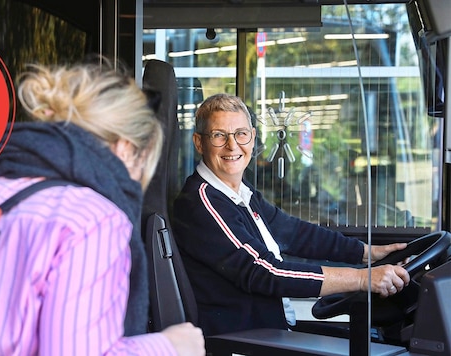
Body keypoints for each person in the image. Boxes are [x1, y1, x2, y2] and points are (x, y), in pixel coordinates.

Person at [0, 62, 205, 355]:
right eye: (142, 164)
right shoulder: (90, 220)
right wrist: (170, 346)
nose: (137, 181)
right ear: (124, 148)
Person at [171, 93, 410, 336]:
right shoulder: (202, 202)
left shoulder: (242, 193)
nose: (232, 145)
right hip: (241, 342)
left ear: (252, 138)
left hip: (270, 331)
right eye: (219, 135)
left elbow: (295, 233)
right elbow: (265, 271)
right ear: (199, 143)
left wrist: (368, 253)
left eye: (241, 134)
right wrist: (361, 279)